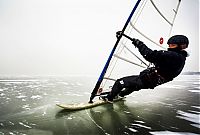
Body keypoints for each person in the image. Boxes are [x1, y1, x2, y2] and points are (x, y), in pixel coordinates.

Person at [102, 33, 189, 103]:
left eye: (172, 45)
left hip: (147, 80)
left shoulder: (174, 56)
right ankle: (120, 95)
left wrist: (140, 44)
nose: (169, 47)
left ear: (182, 46)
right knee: (133, 86)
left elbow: (150, 55)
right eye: (169, 45)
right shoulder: (180, 59)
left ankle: (109, 98)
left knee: (120, 82)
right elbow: (166, 66)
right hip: (150, 82)